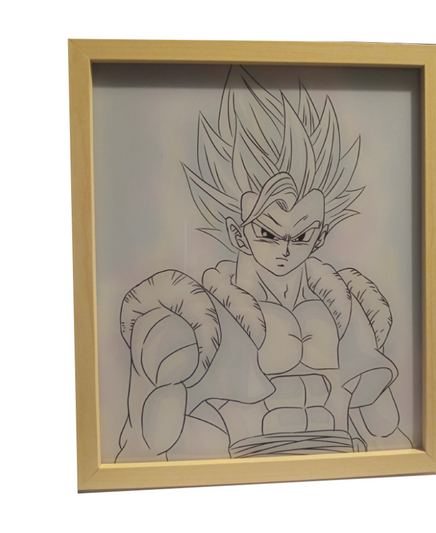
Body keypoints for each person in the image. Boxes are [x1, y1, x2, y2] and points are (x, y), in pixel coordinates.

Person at [116, 67, 411, 462]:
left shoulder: (348, 310)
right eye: (268, 233)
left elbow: (385, 425)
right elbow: (151, 443)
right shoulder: (200, 319)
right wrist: (155, 366)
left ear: (320, 235)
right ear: (237, 232)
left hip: (340, 465)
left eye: (301, 235)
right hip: (243, 472)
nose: (285, 249)